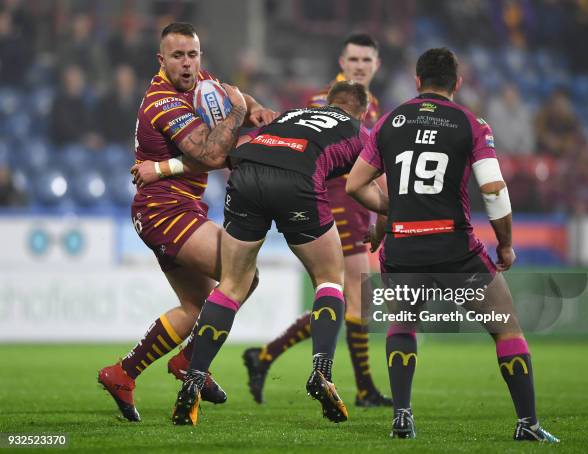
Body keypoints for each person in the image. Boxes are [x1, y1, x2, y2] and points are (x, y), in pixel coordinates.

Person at [345, 47, 559, 442]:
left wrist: (394, 212)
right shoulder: (470, 123)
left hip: (403, 246)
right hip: (455, 248)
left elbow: (355, 184)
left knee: (402, 323)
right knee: (506, 327)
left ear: (417, 80)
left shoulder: (390, 122)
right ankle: (527, 424)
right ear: (457, 83)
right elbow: (493, 189)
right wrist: (506, 245)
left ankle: (402, 419)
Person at [97, 22, 277, 422]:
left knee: (195, 306)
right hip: (166, 211)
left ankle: (123, 374)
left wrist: (254, 107)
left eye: (192, 55)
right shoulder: (163, 102)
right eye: (177, 56)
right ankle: (191, 361)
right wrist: (241, 116)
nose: (187, 63)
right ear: (162, 60)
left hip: (175, 207)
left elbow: (231, 95)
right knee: (243, 276)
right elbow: (212, 155)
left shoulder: (199, 81)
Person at [171, 81, 369, 426]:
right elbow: (366, 184)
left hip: (247, 173)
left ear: (326, 102)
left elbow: (241, 147)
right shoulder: (359, 131)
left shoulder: (291, 114)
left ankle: (193, 379)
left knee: (232, 284)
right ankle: (322, 372)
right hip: (297, 181)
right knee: (329, 281)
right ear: (361, 111)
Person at [242, 32, 392, 408]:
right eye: (353, 59)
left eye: (366, 60)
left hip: (359, 204)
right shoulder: (322, 102)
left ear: (376, 65)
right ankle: (363, 389)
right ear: (341, 63)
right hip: (331, 199)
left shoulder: (371, 104)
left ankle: (264, 356)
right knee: (354, 294)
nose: (359, 66)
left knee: (347, 297)